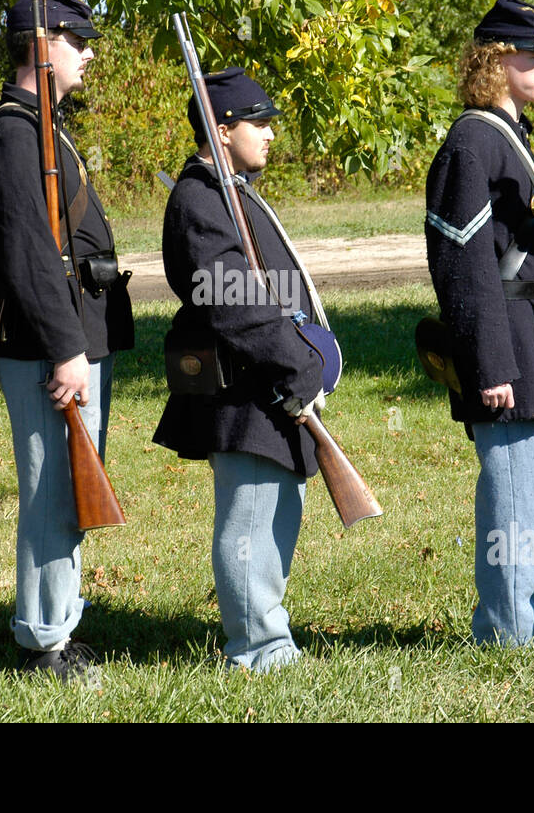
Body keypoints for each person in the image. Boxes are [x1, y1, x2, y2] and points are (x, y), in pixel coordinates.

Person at [0, 0, 133, 680]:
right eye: (77, 40)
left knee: (69, 492)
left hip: (69, 337)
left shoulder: (41, 125)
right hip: (46, 345)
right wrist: (67, 348)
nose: (88, 53)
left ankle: (60, 625)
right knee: (50, 497)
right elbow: (30, 252)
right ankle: (42, 643)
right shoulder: (13, 132)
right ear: (42, 46)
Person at [424, 0, 534, 646]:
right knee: (515, 499)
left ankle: (530, 623)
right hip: (505, 346)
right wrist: (488, 363)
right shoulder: (472, 142)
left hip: (532, 338)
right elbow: (462, 268)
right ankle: (505, 631)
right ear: (497, 61)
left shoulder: (505, 135)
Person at [154, 67, 331, 672]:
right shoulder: (200, 198)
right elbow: (231, 299)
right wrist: (295, 360)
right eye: (259, 123)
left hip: (272, 377)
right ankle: (257, 647)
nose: (271, 134)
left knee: (280, 507)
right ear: (222, 130)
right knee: (251, 515)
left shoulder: (232, 191)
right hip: (244, 382)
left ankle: (268, 633)